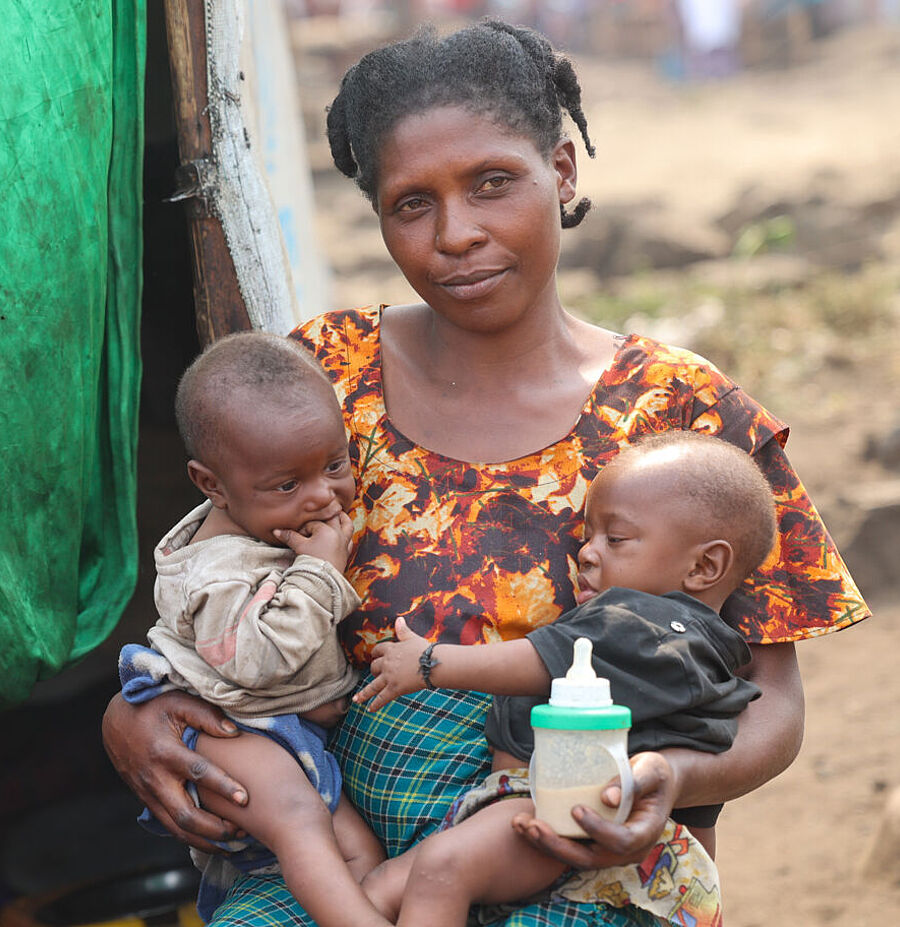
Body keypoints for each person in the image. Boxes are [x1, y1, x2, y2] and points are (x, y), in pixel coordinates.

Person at [102, 19, 869, 927]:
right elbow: (209, 581)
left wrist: (673, 776)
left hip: (580, 868)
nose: (456, 234)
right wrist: (135, 714)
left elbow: (771, 702)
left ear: (564, 171)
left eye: (493, 183)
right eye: (411, 203)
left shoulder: (681, 413)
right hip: (331, 875)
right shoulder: (319, 382)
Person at [354, 431, 773, 925]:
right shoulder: (698, 656)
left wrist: (430, 664)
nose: (588, 554)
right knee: (385, 887)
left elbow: (540, 659)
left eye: (614, 539)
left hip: (559, 812)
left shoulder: (649, 627)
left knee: (440, 869)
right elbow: (699, 809)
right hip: (552, 815)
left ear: (704, 566)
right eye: (587, 538)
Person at [118, 331, 390, 927]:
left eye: (336, 465)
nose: (324, 497)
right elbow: (255, 664)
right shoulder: (215, 574)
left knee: (360, 852)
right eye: (289, 485)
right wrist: (320, 571)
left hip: (270, 726)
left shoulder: (269, 521)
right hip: (225, 730)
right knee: (301, 827)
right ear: (211, 484)